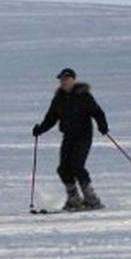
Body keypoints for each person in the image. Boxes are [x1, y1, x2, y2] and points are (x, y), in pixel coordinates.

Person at [33, 67, 109, 210]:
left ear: (73, 80)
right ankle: (74, 199)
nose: (64, 82)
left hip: (83, 136)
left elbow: (97, 112)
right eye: (61, 80)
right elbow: (51, 118)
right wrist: (40, 129)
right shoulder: (59, 99)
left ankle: (92, 199)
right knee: (63, 169)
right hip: (68, 136)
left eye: (66, 79)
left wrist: (102, 125)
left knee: (77, 166)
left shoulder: (83, 96)